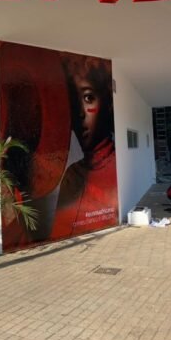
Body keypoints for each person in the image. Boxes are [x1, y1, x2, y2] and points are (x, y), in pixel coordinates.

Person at [53, 55, 119, 239]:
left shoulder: (118, 168)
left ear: (108, 103)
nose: (80, 113)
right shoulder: (72, 174)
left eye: (88, 97)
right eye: (73, 101)